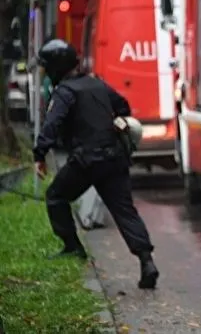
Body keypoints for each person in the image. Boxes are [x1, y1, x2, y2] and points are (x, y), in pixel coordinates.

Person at [33, 39, 159, 290]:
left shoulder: (64, 92)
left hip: (86, 161)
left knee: (56, 196)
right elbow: (123, 106)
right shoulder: (97, 84)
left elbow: (51, 124)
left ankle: (73, 247)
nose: (45, 73)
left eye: (46, 67)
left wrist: (40, 154)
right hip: (114, 159)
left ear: (57, 67)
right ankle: (147, 262)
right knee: (125, 211)